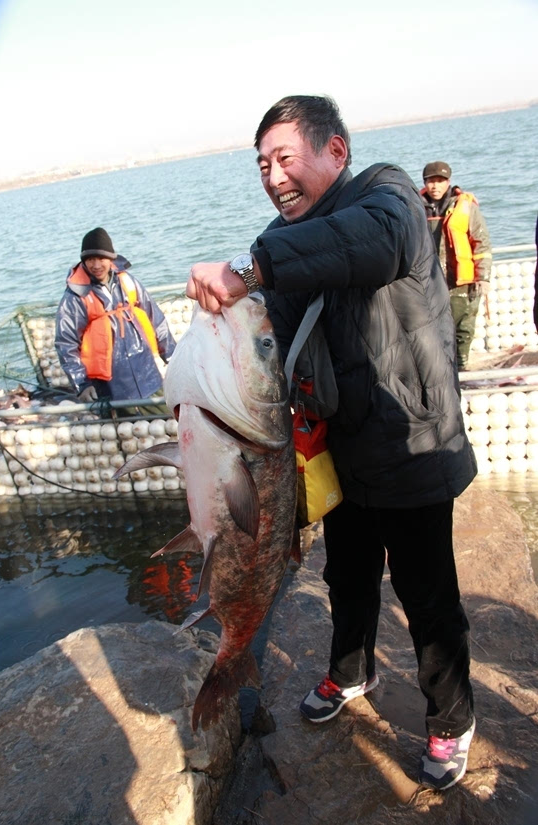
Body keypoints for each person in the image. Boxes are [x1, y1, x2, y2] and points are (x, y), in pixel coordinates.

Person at [186, 95, 478, 792]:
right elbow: (269, 340)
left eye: (285, 158)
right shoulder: (278, 242)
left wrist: (249, 269)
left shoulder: (387, 195)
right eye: (262, 165)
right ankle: (351, 670)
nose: (273, 176)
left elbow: (367, 242)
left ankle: (452, 716)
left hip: (412, 444)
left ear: (335, 152)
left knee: (427, 596)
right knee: (345, 576)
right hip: (338, 454)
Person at [55, 227, 175, 404]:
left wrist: (172, 358)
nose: (96, 265)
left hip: (148, 374)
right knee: (124, 420)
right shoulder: (75, 297)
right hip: (110, 385)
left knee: (166, 414)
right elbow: (66, 343)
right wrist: (82, 384)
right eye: (90, 259)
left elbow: (156, 320)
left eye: (101, 258)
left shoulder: (127, 281)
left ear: (111, 258)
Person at [420, 161, 492, 370]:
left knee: (463, 327)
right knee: (432, 329)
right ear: (424, 183)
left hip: (461, 281)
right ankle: (440, 370)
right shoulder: (415, 206)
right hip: (429, 281)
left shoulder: (466, 206)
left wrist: (483, 277)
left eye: (440, 181)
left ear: (448, 182)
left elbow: (481, 243)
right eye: (431, 181)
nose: (435, 186)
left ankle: (461, 368)